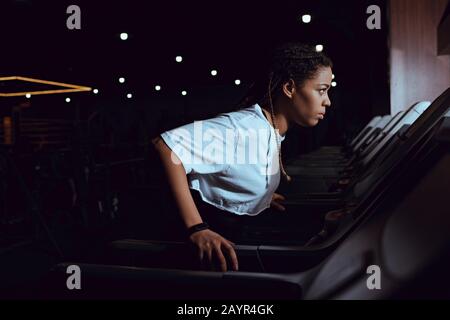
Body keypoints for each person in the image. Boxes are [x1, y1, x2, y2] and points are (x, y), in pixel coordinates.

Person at [152, 42, 333, 272]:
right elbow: (166, 147)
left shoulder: (272, 129)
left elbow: (239, 167)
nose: (327, 101)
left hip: (233, 244)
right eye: (322, 89)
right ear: (289, 88)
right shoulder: (245, 128)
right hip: (203, 254)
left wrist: (261, 192)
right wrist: (196, 228)